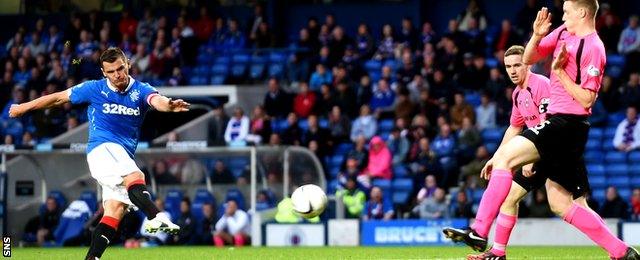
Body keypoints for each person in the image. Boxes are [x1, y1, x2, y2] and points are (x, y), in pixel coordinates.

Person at [454, 2, 639, 259]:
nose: (562, 15)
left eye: (567, 10)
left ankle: (480, 230)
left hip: (568, 124)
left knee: (506, 159)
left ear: (582, 12)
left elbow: (587, 100)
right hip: (559, 127)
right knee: (561, 204)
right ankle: (622, 251)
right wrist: (538, 35)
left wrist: (560, 73)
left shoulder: (594, 47)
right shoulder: (564, 32)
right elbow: (530, 57)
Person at [9, 47, 188, 260]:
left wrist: (169, 105)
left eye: (121, 68)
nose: (117, 74)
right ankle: (154, 216)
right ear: (104, 72)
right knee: (136, 176)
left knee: (115, 210)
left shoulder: (140, 89)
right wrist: (23, 107)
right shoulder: (94, 88)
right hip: (102, 150)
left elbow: (156, 101)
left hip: (121, 154)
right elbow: (58, 98)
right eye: (111, 71)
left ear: (128, 64)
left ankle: (91, 258)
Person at [445, 44, 555, 256]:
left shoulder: (541, 84)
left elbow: (548, 122)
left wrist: (531, 158)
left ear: (528, 64)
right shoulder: (517, 94)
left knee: (567, 206)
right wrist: (496, 157)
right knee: (510, 199)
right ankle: (496, 250)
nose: (512, 70)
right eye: (508, 66)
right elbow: (514, 128)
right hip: (539, 149)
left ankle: (482, 235)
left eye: (517, 65)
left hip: (550, 149)